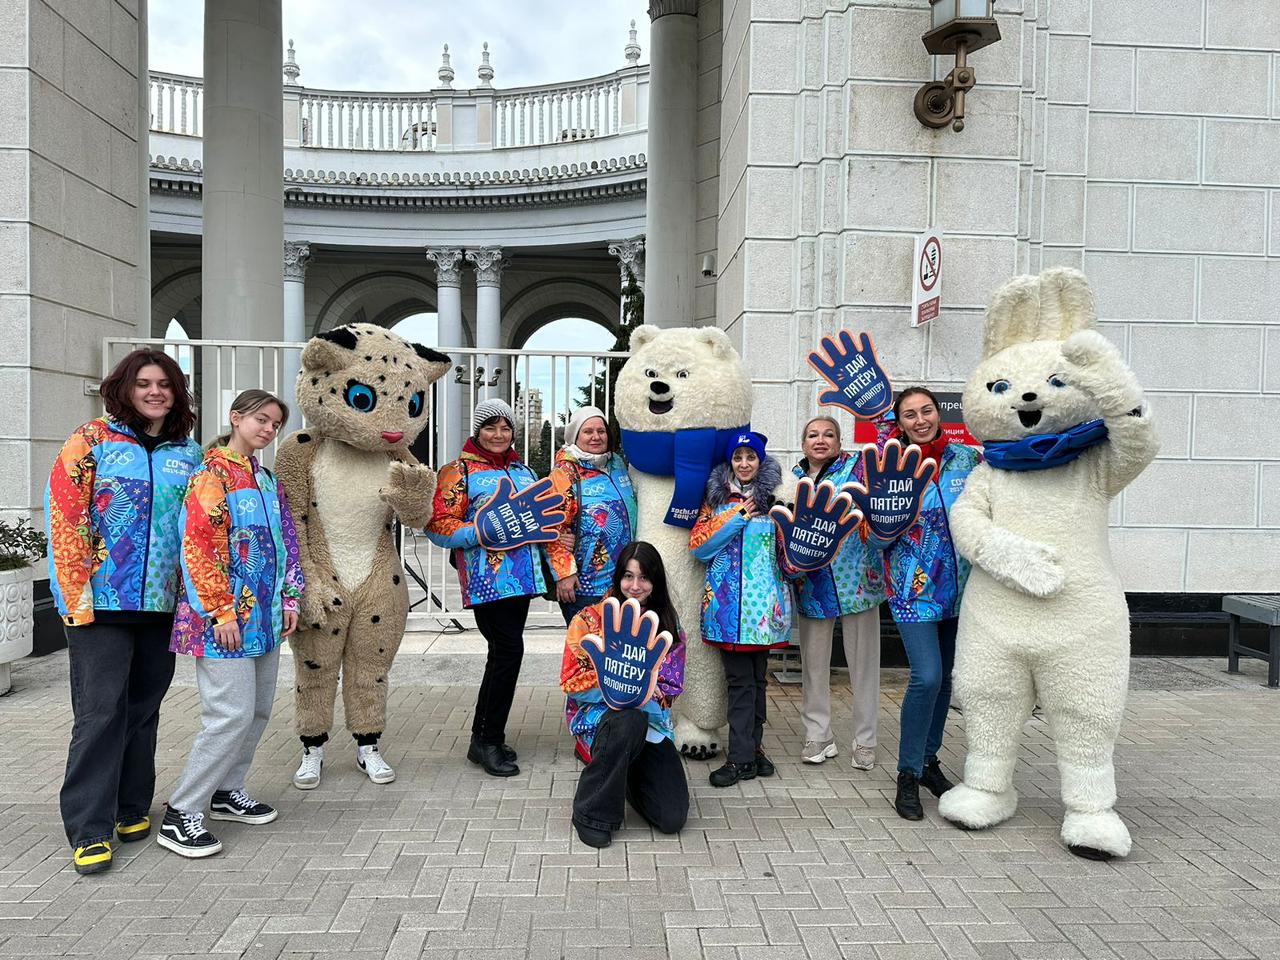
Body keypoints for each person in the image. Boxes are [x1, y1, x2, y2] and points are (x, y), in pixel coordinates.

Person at [45, 349, 202, 875]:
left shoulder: (190, 453)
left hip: (162, 604)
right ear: (124, 388)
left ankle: (134, 805)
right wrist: (73, 599)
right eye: (143, 383)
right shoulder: (90, 442)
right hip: (102, 604)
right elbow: (65, 518)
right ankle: (90, 827)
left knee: (143, 708)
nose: (154, 392)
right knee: (100, 713)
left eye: (164, 384)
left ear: (177, 391)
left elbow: (203, 532)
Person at [158, 390, 303, 857]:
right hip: (221, 621)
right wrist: (219, 609)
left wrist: (290, 596)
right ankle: (182, 813)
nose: (268, 429)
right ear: (236, 418)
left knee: (257, 711)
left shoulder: (266, 480)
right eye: (261, 419)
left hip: (263, 618)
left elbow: (287, 543)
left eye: (275, 424)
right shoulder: (211, 473)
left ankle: (226, 791)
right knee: (229, 715)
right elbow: (198, 546)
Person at [876, 387, 981, 821]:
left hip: (962, 590)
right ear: (899, 423)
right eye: (910, 415)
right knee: (927, 675)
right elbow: (874, 531)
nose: (920, 420)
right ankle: (906, 772)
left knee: (947, 679)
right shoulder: (889, 467)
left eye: (927, 411)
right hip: (912, 589)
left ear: (939, 414)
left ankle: (927, 762)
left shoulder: (967, 460)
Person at [426, 398, 547, 777]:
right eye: (490, 427)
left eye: (505, 427)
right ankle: (486, 740)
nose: (498, 434)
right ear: (477, 431)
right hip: (488, 580)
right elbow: (438, 524)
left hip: (523, 579)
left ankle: (486, 737)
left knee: (504, 654)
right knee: (508, 652)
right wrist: (477, 532)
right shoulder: (457, 471)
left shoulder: (523, 470)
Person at [561, 541, 688, 848]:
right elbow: (570, 679)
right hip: (602, 720)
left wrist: (647, 689)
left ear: (654, 582)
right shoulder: (589, 620)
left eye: (644, 577)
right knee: (627, 718)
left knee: (671, 818)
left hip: (652, 725)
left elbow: (670, 691)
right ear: (617, 578)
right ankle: (591, 812)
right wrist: (612, 682)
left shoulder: (668, 628)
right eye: (628, 576)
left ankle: (624, 775)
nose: (635, 585)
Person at [690, 431, 794, 787]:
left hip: (764, 612)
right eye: (738, 458)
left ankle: (751, 751)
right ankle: (741, 757)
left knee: (757, 681)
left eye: (751, 457)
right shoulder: (716, 501)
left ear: (761, 462)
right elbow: (699, 548)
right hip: (727, 614)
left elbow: (790, 554)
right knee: (739, 683)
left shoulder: (779, 500)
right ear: (730, 462)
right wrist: (736, 517)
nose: (745, 464)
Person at [791, 415, 886, 770]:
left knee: (864, 666)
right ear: (803, 443)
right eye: (812, 434)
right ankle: (819, 734)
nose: (820, 440)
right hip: (812, 584)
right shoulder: (792, 479)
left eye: (828, 434)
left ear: (838, 440)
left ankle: (866, 740)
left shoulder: (857, 468)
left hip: (858, 579)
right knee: (814, 666)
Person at [547, 406, 638, 625]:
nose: (596, 437)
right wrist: (564, 574)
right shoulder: (564, 473)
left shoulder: (616, 464)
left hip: (623, 581)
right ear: (575, 436)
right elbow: (552, 528)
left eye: (601, 431)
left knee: (617, 652)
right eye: (588, 432)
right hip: (585, 585)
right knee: (587, 651)